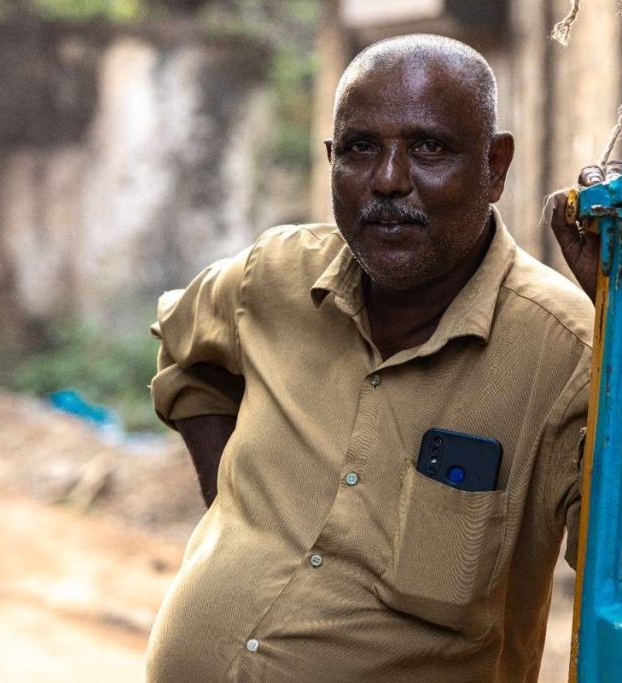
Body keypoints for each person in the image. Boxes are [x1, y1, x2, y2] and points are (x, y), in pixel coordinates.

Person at [146, 34, 596, 681]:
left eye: (429, 148)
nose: (388, 180)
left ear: (495, 167)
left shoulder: (567, 353)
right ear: (330, 161)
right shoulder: (272, 279)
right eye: (360, 149)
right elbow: (185, 351)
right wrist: (232, 513)